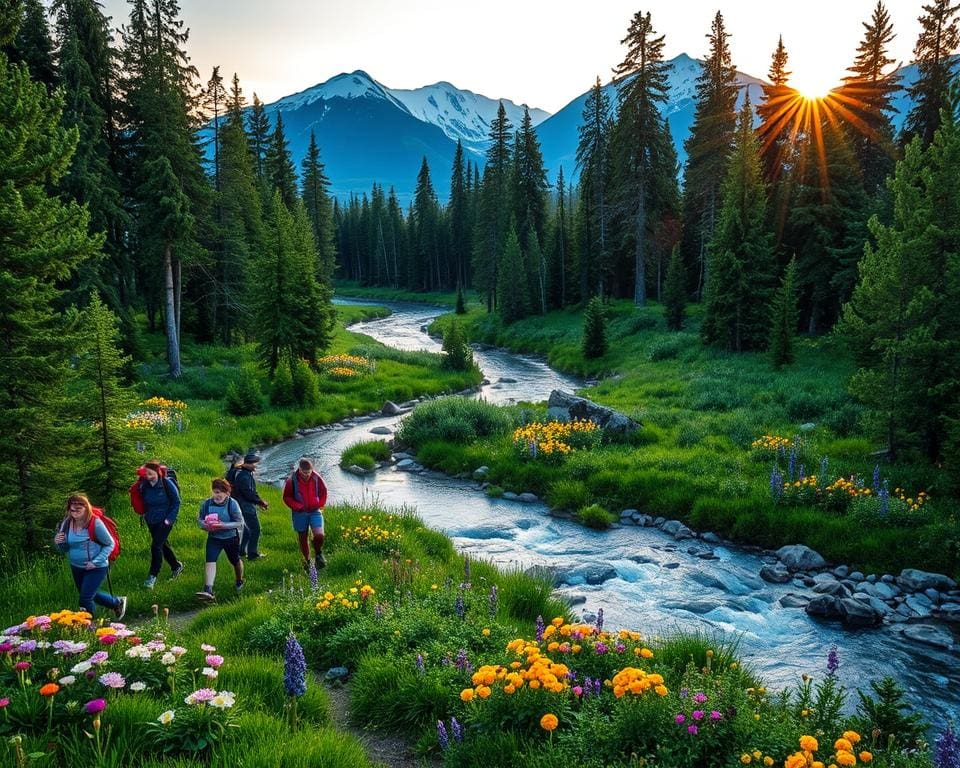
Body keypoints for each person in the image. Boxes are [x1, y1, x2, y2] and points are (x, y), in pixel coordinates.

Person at [54, 494, 127, 619]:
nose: (75, 513)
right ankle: (117, 603)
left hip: (96, 567)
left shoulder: (95, 523)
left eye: (78, 509)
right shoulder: (66, 524)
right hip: (76, 566)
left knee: (85, 599)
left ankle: (89, 627)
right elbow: (65, 548)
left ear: (86, 508)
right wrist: (58, 542)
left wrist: (96, 561)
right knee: (88, 594)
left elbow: (110, 544)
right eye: (72, 510)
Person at [195, 478, 245, 602]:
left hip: (231, 538)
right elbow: (199, 520)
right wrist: (205, 526)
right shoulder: (207, 504)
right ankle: (208, 590)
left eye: (219, 492)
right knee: (210, 561)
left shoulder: (232, 504)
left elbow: (239, 522)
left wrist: (222, 525)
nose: (216, 495)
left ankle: (239, 581)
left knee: (235, 560)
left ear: (227, 493)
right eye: (214, 492)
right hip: (214, 538)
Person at [140, 460, 184, 589]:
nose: (148, 476)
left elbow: (176, 501)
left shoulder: (167, 483)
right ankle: (176, 566)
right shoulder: (144, 486)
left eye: (151, 473)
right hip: (151, 520)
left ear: (158, 472)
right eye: (146, 474)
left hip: (165, 520)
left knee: (155, 546)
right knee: (163, 545)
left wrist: (169, 519)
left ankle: (152, 577)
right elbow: (144, 502)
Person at [282, 458, 328, 572]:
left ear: (312, 469)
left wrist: (320, 504)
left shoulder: (317, 478)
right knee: (303, 537)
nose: (307, 475)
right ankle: (307, 561)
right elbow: (286, 497)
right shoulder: (291, 480)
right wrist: (297, 506)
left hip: (315, 511)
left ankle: (318, 553)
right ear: (300, 469)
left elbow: (324, 491)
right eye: (304, 472)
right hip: (299, 513)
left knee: (319, 535)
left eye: (309, 472)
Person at [233, 452, 269, 559]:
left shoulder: (246, 474)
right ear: (247, 464)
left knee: (247, 530)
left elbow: (253, 492)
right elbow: (248, 494)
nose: (255, 466)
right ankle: (252, 554)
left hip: (243, 505)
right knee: (255, 530)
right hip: (246, 507)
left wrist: (260, 501)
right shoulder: (244, 476)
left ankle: (241, 551)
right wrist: (260, 502)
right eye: (254, 463)